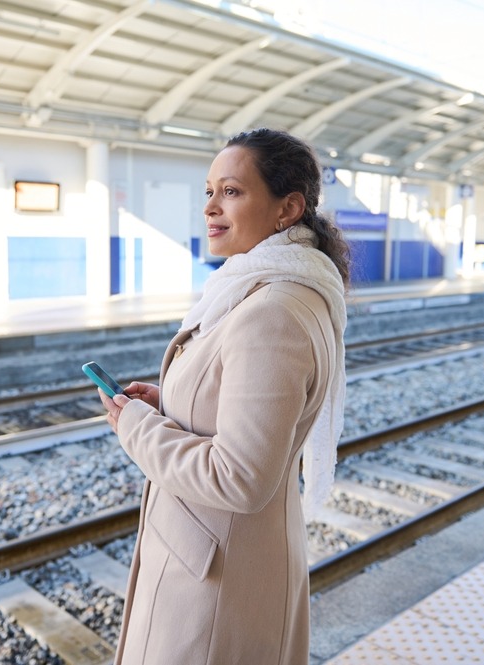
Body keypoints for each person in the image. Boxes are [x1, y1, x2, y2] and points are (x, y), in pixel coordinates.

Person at [97, 127, 350, 664]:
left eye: (231, 192)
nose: (211, 207)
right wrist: (169, 399)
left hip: (214, 584)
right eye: (209, 191)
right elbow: (251, 403)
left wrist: (136, 427)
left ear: (287, 209)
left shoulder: (272, 312)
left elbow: (238, 476)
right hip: (231, 561)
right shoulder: (275, 289)